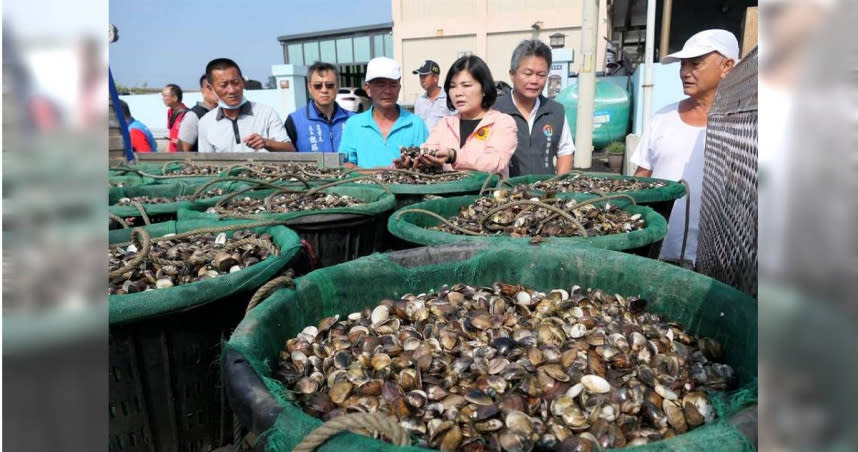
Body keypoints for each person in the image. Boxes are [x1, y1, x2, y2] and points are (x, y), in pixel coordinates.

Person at [630, 29, 739, 266]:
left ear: (727, 66)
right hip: (659, 253)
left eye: (695, 64)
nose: (684, 73)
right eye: (683, 65)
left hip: (719, 262)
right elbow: (641, 178)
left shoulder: (742, 126)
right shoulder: (663, 117)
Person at [398, 55, 517, 176]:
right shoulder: (445, 124)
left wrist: (454, 156)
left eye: (466, 85)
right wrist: (417, 160)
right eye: (453, 86)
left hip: (488, 193)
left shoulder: (502, 123)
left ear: (484, 88)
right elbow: (430, 149)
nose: (458, 93)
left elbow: (494, 162)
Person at [494, 39, 575, 176]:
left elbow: (565, 152)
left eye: (541, 75)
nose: (534, 81)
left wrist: (559, 185)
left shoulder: (556, 111)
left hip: (545, 193)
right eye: (528, 73)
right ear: (512, 74)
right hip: (506, 193)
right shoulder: (495, 110)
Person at [338, 57, 428, 168]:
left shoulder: (416, 124)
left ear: (399, 88)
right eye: (381, 85)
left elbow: (427, 166)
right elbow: (343, 163)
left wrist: (409, 168)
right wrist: (377, 173)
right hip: (364, 186)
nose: (387, 91)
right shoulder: (353, 124)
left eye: (393, 85)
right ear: (368, 89)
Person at [197, 58, 294, 153]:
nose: (232, 90)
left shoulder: (266, 113)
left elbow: (289, 149)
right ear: (211, 87)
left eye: (235, 83)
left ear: (243, 81)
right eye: (223, 85)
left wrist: (266, 143)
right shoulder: (205, 123)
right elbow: (206, 162)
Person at [285, 62, 353, 152]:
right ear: (309, 87)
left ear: (337, 87)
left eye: (329, 85)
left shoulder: (353, 120)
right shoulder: (294, 121)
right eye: (318, 86)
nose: (324, 90)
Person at [178, 75, 218, 152]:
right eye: (210, 88)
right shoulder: (193, 116)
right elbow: (182, 152)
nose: (216, 91)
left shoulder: (224, 114)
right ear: (203, 91)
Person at [412, 59, 455, 130]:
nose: (422, 80)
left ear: (435, 78)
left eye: (424, 76)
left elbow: (455, 125)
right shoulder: (419, 102)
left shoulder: (449, 98)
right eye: (420, 76)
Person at [161, 83, 188, 152]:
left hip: (180, 156)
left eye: (165, 96)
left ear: (175, 98)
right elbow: (170, 135)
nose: (163, 99)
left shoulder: (187, 114)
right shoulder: (170, 112)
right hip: (171, 156)